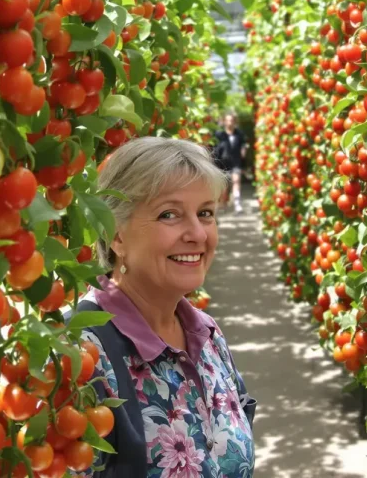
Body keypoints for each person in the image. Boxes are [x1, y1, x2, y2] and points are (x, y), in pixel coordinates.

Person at [74, 136, 257, 477]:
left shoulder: (206, 333)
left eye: (205, 213)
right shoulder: (83, 359)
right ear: (116, 235)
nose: (198, 234)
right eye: (169, 214)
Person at [213, 114, 248, 213]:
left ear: (234, 122)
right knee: (224, 187)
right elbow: (214, 147)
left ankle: (237, 203)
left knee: (236, 181)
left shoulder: (239, 134)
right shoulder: (219, 134)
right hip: (222, 163)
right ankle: (223, 203)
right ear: (224, 122)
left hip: (235, 162)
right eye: (228, 120)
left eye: (232, 120)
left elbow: (244, 144)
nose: (230, 123)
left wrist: (244, 150)